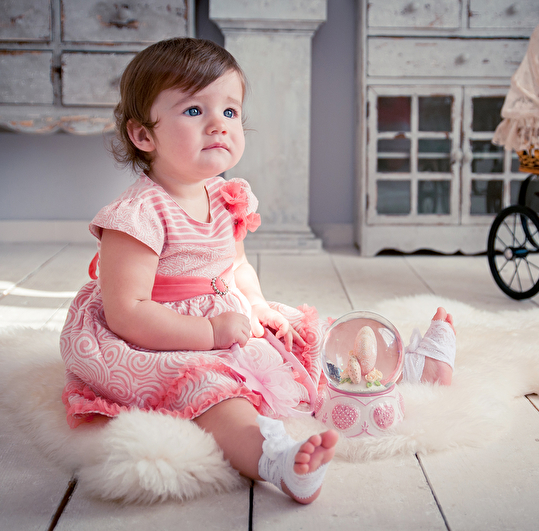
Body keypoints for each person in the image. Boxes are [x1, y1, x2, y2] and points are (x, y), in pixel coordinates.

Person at [60, 37, 456, 505]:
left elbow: (237, 265)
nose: (218, 125)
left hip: (221, 314)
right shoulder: (137, 215)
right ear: (144, 135)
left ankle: (401, 368)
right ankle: (273, 458)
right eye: (194, 110)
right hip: (157, 334)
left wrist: (257, 304)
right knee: (214, 392)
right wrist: (209, 333)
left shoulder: (226, 196)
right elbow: (127, 311)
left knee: (305, 337)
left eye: (230, 111)